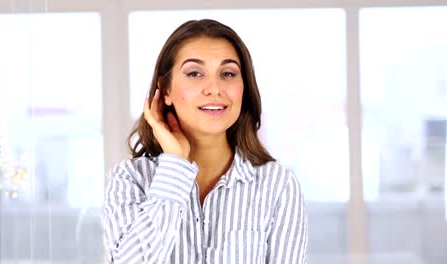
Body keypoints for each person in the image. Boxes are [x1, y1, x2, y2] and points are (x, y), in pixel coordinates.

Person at [103, 18, 308, 264]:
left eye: (228, 73)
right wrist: (175, 165)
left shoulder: (278, 186)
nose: (214, 88)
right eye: (195, 73)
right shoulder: (130, 179)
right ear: (165, 91)